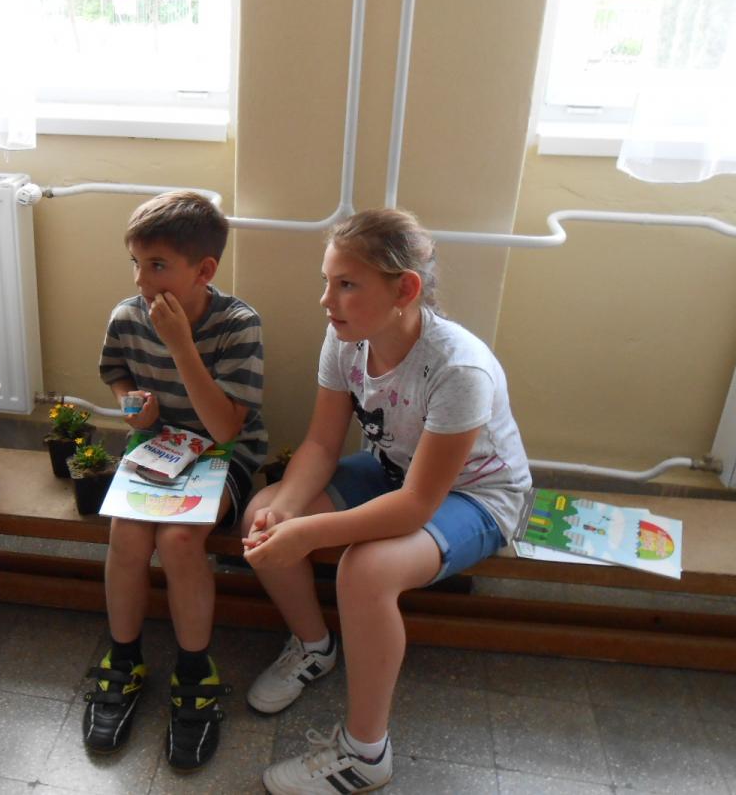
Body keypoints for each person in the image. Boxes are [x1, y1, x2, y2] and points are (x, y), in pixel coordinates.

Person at [242, 208, 531, 794]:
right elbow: (322, 444)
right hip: (394, 470)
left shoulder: (458, 368)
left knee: (366, 570)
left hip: (477, 495)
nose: (327, 300)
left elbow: (417, 505)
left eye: (347, 284)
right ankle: (314, 647)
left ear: (405, 290)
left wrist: (308, 533)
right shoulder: (345, 337)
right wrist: (287, 511)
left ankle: (365, 755)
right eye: (327, 281)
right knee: (261, 512)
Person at [83, 191, 268, 771]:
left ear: (203, 270)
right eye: (136, 263)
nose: (142, 280)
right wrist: (131, 405)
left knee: (181, 538)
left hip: (224, 455)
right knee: (127, 533)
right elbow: (116, 372)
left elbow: (226, 427)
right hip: (157, 448)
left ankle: (194, 669)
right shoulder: (128, 316)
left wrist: (182, 346)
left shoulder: (238, 325)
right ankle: (124, 657)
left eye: (158, 265)